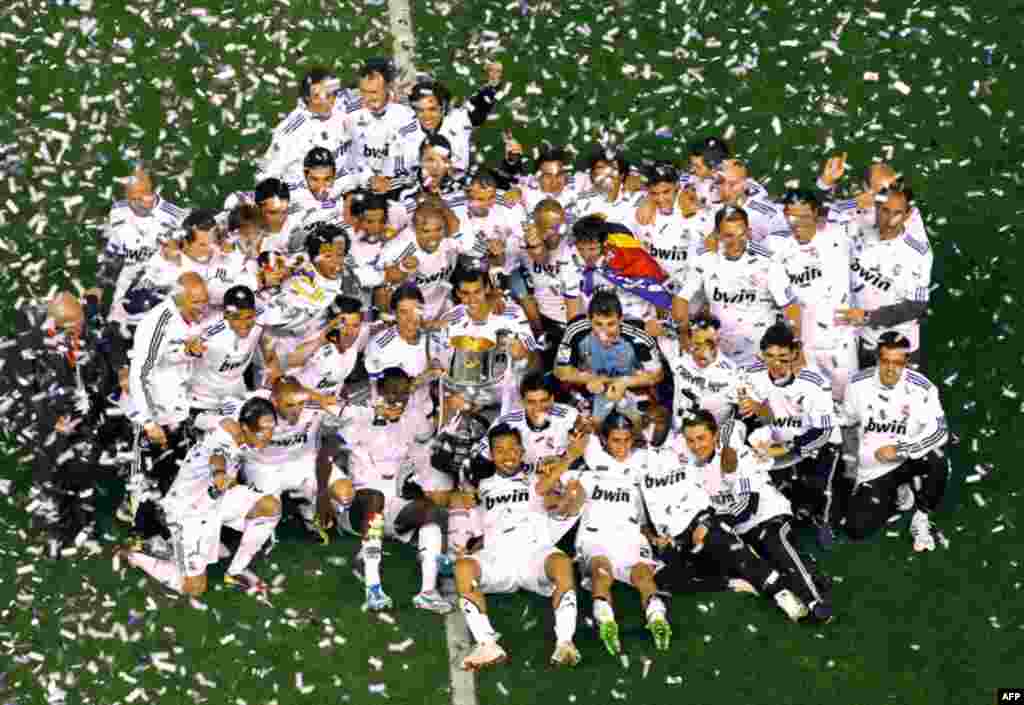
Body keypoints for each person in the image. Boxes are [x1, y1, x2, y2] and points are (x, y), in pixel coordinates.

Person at [537, 412, 670, 656]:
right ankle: (606, 622)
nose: (622, 446)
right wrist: (568, 458)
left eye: (627, 440)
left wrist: (653, 534)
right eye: (616, 440)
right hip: (595, 537)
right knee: (601, 573)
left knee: (643, 576)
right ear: (605, 441)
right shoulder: (586, 468)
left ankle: (658, 619)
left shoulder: (642, 464)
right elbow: (543, 487)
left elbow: (650, 505)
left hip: (630, 536)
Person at [117, 396, 281, 595]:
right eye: (264, 432)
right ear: (246, 428)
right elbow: (217, 457)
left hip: (216, 499)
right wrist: (219, 474)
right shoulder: (223, 441)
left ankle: (236, 570)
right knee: (194, 588)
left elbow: (200, 418)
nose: (269, 436)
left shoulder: (237, 420)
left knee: (270, 506)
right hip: (188, 513)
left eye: (272, 429)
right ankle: (136, 555)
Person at [454, 423, 584, 670]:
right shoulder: (481, 487)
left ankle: (565, 643)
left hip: (533, 556)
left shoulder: (535, 481)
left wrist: (570, 456)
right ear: (491, 455)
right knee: (462, 567)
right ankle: (487, 645)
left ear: (523, 451)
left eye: (514, 448)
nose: (508, 455)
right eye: (500, 450)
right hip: (497, 559)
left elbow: (549, 484)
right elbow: (476, 523)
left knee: (562, 564)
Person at [679, 411, 830, 622]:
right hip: (735, 528)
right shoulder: (687, 464)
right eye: (691, 440)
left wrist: (714, 522)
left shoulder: (735, 456)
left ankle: (814, 600)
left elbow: (749, 504)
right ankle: (805, 573)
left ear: (714, 436)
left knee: (773, 541)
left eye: (701, 438)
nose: (696, 446)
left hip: (767, 515)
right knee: (712, 560)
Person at [332, 367, 453, 613]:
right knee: (374, 498)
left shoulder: (414, 418)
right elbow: (329, 448)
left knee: (434, 512)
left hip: (392, 506)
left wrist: (427, 483)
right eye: (391, 394)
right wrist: (330, 492)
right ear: (379, 391)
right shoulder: (361, 415)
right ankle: (373, 587)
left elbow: (428, 441)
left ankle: (428, 592)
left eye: (403, 394)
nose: (397, 400)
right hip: (358, 507)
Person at [3, 292, 120, 546]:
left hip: (84, 415)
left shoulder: (86, 333)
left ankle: (85, 521)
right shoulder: (31, 347)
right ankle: (55, 529)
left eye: (80, 321)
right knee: (52, 475)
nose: (79, 328)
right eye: (73, 325)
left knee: (85, 467)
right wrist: (52, 420)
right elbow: (25, 391)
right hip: (51, 424)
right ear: (55, 324)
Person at [842, 333, 949, 551]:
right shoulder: (857, 384)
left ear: (906, 362)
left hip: (907, 458)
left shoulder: (922, 388)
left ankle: (921, 517)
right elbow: (848, 424)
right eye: (885, 361)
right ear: (877, 359)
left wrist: (903, 449)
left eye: (898, 362)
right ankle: (898, 493)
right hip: (873, 470)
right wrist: (851, 469)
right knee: (856, 529)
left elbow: (940, 431)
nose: (891, 369)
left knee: (937, 458)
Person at [742, 323, 843, 549]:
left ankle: (823, 520)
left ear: (795, 353)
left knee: (819, 488)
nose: (776, 364)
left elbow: (824, 431)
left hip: (817, 442)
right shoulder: (750, 376)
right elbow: (750, 417)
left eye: (783, 357)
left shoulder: (815, 382)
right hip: (776, 439)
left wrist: (790, 448)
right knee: (773, 486)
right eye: (769, 356)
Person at [127, 273, 211, 537]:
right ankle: (141, 534)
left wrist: (187, 352)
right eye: (196, 301)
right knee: (146, 477)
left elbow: (168, 359)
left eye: (205, 300)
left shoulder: (191, 320)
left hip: (179, 408)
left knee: (172, 473)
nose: (203, 307)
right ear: (179, 298)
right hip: (155, 412)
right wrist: (148, 421)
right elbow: (139, 374)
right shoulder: (157, 324)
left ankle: (168, 529)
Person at [674, 206, 801, 368]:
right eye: (728, 236)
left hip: (759, 357)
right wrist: (684, 332)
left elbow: (790, 307)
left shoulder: (767, 261)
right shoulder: (704, 258)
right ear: (717, 234)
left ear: (749, 231)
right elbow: (682, 298)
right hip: (717, 355)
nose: (736, 243)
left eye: (742, 235)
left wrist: (796, 345)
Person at [776, 189, 858, 403]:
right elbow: (788, 306)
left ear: (816, 214)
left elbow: (859, 205)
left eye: (804, 216)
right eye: (792, 216)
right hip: (808, 345)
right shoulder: (780, 253)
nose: (797, 223)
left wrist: (824, 185)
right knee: (812, 405)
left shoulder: (839, 235)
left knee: (848, 403)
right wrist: (797, 350)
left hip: (842, 341)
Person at [837, 187, 932, 369]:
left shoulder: (918, 253)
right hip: (864, 341)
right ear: (876, 208)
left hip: (901, 346)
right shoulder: (859, 232)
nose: (890, 220)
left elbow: (916, 307)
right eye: (885, 211)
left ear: (907, 215)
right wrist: (854, 202)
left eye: (897, 213)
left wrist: (868, 316)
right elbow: (819, 215)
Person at [96, 165, 187, 328]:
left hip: (162, 291)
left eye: (143, 196)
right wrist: (101, 285)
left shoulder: (176, 217)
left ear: (155, 191)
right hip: (126, 295)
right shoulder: (118, 211)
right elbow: (113, 251)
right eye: (132, 198)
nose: (137, 203)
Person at [554, 290, 664, 424]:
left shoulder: (640, 338)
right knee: (582, 425)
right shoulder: (575, 330)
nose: (604, 332)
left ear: (621, 319)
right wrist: (591, 379)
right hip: (590, 388)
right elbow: (560, 371)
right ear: (589, 319)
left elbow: (657, 375)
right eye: (598, 324)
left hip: (632, 388)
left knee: (646, 423)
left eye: (611, 324)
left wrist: (624, 382)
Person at [256, 66, 353, 189]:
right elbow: (265, 176)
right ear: (307, 97)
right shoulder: (290, 131)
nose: (330, 101)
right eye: (319, 96)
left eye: (332, 94)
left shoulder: (343, 103)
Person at [407, 62, 504, 178]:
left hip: (459, 187)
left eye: (432, 109)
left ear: (443, 108)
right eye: (420, 110)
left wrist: (493, 83)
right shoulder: (406, 132)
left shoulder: (458, 119)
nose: (426, 115)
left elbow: (481, 101)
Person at [345, 61, 420, 199]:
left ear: (388, 87)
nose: (368, 98)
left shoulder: (408, 111)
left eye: (374, 92)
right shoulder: (348, 110)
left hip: (399, 187)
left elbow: (413, 153)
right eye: (364, 92)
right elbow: (348, 152)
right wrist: (369, 178)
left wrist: (388, 179)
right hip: (360, 186)